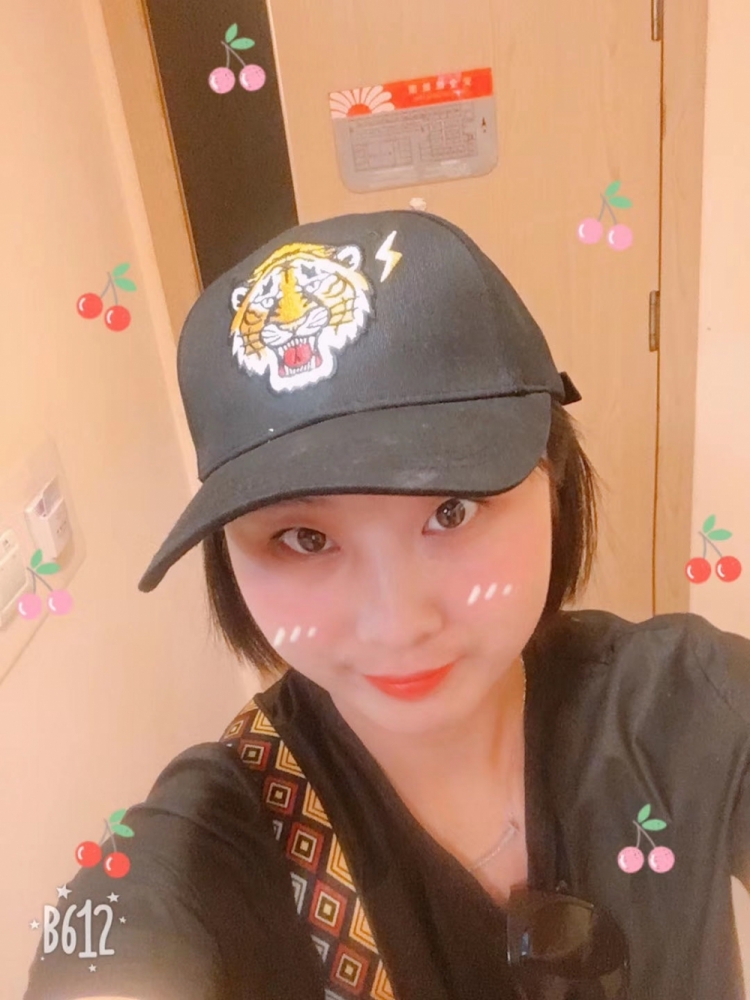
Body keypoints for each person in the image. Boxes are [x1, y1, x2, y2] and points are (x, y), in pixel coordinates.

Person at [23, 209, 750, 1000]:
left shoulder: (690, 705)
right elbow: (118, 940)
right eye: (304, 538)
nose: (397, 624)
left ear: (557, 479)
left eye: (452, 510)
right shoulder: (221, 834)